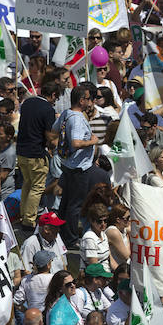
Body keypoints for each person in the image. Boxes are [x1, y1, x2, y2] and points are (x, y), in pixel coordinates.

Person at [55, 83, 100, 248]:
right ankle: (71, 239)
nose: (91, 102)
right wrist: (92, 141)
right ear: (81, 101)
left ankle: (61, 232)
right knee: (75, 204)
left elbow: (55, 128)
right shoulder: (77, 118)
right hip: (78, 167)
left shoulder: (67, 114)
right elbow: (75, 142)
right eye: (88, 99)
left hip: (68, 165)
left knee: (66, 202)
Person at [18, 81, 61, 236]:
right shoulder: (48, 109)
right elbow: (50, 136)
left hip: (21, 151)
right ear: (53, 95)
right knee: (37, 187)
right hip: (36, 153)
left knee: (27, 184)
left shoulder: (28, 102)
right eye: (56, 98)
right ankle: (29, 222)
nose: (55, 101)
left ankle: (23, 215)